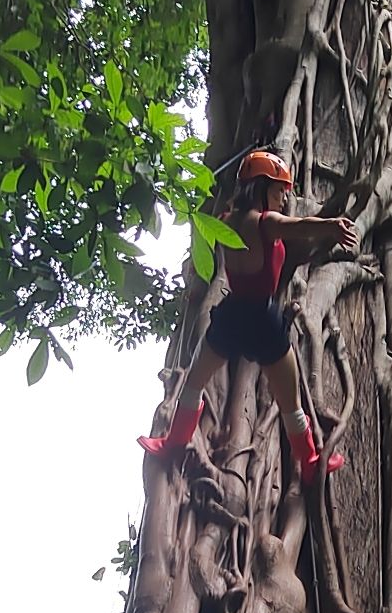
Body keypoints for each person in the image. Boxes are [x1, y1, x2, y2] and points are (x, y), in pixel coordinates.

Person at [138, 150, 358, 484]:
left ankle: (172, 445)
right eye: (279, 189)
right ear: (262, 187)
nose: (285, 196)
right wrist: (331, 225)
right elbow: (297, 226)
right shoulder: (265, 222)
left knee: (194, 384)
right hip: (263, 321)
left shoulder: (226, 219)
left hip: (231, 316)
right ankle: (311, 462)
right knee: (290, 403)